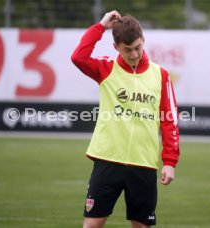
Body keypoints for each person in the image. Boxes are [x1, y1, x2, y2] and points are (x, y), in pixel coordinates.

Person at [71, 10, 180, 228]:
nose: (134, 54)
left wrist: (169, 161)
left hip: (144, 164)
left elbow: (170, 120)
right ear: (116, 47)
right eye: (127, 50)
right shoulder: (106, 69)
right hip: (107, 160)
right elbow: (78, 58)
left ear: (144, 41)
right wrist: (101, 26)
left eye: (138, 47)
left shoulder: (161, 75)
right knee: (92, 225)